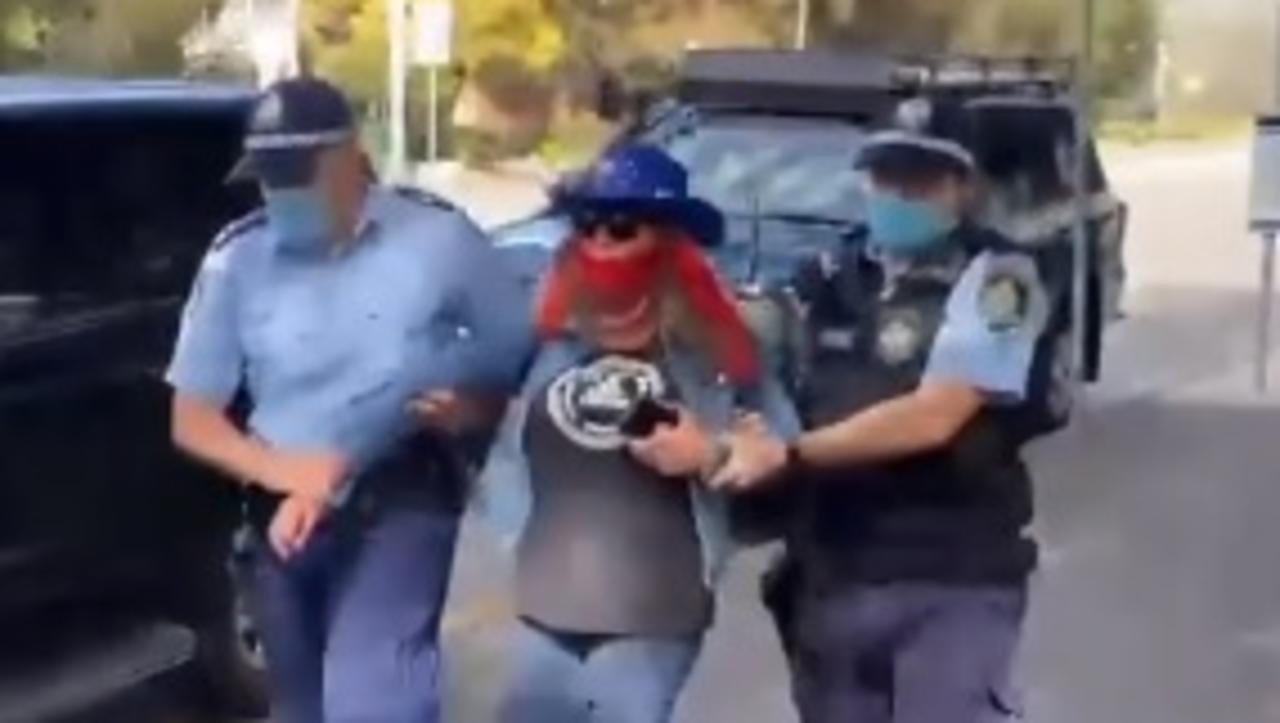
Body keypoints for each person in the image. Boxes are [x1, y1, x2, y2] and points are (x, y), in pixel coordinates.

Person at [645, 98, 1072, 722]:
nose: (899, 193)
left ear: (962, 186)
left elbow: (936, 415)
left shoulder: (1000, 275)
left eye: (921, 178)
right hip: (834, 572)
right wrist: (660, 264)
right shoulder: (829, 274)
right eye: (887, 175)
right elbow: (744, 339)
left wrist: (788, 453)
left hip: (950, 577)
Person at [165, 77, 531, 723]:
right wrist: (289, 473)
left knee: (375, 698)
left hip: (401, 495)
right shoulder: (236, 262)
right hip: (280, 516)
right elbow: (193, 419)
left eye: (297, 174)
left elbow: (514, 351)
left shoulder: (439, 242)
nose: (283, 194)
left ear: (349, 158)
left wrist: (472, 407)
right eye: (268, 177)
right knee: (301, 706)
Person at [477, 143, 799, 723]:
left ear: (669, 238)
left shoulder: (718, 347)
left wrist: (713, 453)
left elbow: (781, 448)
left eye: (621, 226)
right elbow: (489, 423)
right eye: (587, 225)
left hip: (653, 617)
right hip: (544, 613)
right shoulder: (547, 335)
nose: (600, 243)